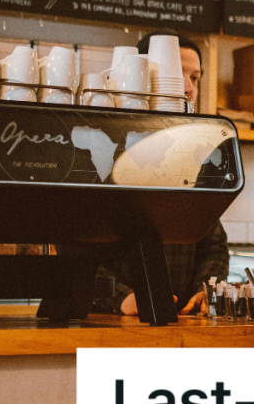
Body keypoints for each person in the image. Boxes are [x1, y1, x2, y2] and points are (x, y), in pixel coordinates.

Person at [93, 32, 229, 316]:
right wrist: (121, 298)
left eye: (195, 78)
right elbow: (75, 247)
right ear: (141, 75)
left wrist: (206, 290)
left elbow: (213, 245)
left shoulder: (193, 153)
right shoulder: (102, 149)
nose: (189, 88)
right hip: (110, 322)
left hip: (180, 320)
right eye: (177, 74)